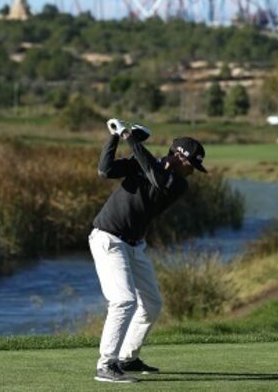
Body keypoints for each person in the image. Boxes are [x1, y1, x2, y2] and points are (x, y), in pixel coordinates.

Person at [90, 118, 207, 383]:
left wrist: (131, 138)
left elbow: (155, 175)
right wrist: (114, 137)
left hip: (134, 246)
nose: (193, 171)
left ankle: (127, 358)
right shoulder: (141, 163)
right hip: (108, 240)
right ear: (179, 157)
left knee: (152, 303)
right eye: (192, 164)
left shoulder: (177, 184)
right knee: (123, 301)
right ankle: (106, 365)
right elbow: (105, 170)